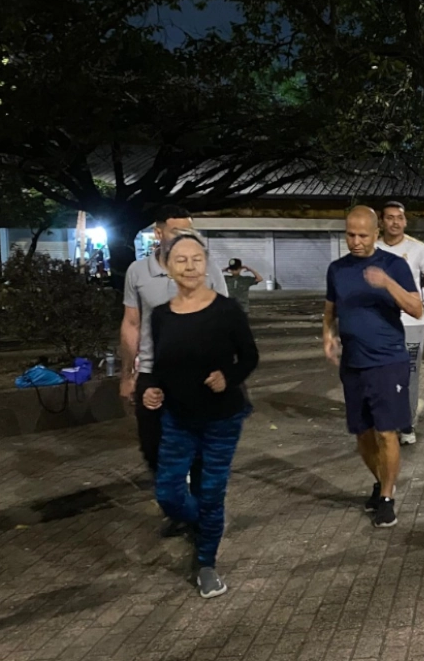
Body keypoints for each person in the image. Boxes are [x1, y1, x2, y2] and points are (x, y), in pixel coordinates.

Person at [143, 230, 258, 599]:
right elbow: (161, 365)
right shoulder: (161, 316)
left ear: (206, 264)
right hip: (176, 418)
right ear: (168, 267)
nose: (190, 266)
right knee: (168, 493)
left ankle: (206, 563)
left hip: (221, 419)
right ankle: (207, 524)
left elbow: (250, 356)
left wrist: (230, 377)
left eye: (196, 259)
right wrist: (153, 389)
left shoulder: (226, 310)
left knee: (211, 492)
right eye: (181, 260)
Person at [120, 204, 230, 536]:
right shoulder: (138, 272)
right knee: (153, 447)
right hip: (154, 374)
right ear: (159, 233)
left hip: (199, 376)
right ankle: (179, 504)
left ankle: (196, 513)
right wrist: (127, 374)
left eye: (189, 232)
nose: (185, 238)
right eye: (177, 231)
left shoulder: (208, 270)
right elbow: (131, 322)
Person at [323, 206, 424, 528]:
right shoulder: (337, 269)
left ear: (376, 234)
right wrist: (327, 335)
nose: (355, 241)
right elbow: (330, 309)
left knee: (386, 433)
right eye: (350, 234)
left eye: (362, 235)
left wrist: (387, 284)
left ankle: (387, 497)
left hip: (388, 361)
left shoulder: (394, 265)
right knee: (363, 435)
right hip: (353, 363)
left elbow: (417, 309)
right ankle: (380, 482)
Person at [375, 201, 424, 446]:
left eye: (399, 218)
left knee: (409, 373)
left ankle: (407, 425)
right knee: (383, 374)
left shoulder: (418, 249)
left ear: (405, 221)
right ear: (382, 221)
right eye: (390, 217)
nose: (395, 222)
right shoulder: (371, 248)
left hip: (412, 323)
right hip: (380, 323)